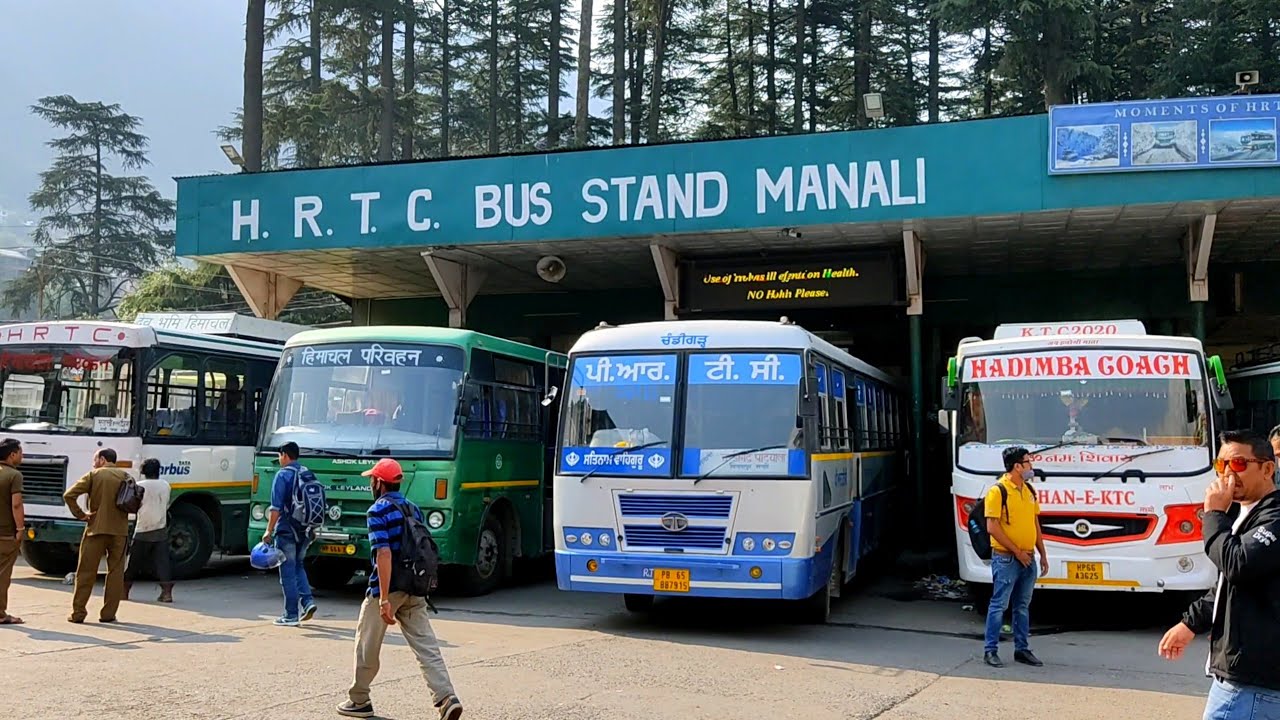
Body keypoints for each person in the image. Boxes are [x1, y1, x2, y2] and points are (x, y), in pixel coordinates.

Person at [1158, 430, 1280, 719]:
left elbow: (1238, 563)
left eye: (1238, 464)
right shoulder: (1249, 514)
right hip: (1245, 678)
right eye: (1221, 465)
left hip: (1251, 683)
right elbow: (1231, 583)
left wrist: (1213, 515)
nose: (1227, 474)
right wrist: (1189, 623)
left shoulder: (1274, 517)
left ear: (1267, 468)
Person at [337, 458, 463, 720]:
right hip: (415, 587)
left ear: (379, 483)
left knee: (366, 646)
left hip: (388, 588)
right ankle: (446, 697)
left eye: (372, 479)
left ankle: (359, 700)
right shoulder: (413, 509)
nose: (371, 482)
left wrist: (383, 598)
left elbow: (383, 554)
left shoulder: (377, 511)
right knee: (427, 647)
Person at [982, 446, 1048, 668]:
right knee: (999, 604)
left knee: (1022, 606)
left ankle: (1022, 649)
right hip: (1007, 559)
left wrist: (1042, 553)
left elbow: (1034, 523)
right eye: (1028, 462)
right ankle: (990, 650)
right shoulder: (997, 491)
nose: (1031, 466)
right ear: (1017, 466)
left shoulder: (1029, 490)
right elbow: (992, 527)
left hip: (1028, 559)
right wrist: (1017, 552)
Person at [63, 448, 131, 624]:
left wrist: (81, 514)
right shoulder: (126, 476)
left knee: (85, 572)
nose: (93, 463)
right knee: (115, 573)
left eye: (95, 459)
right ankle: (108, 614)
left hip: (95, 529)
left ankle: (78, 613)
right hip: (120, 531)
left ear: (102, 459)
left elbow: (69, 495)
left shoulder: (94, 475)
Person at [262, 441, 317, 627]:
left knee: (287, 571)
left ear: (285, 455)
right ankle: (308, 602)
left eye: (279, 455)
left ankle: (291, 614)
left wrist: (268, 530)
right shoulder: (307, 472)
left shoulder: (282, 475)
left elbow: (275, 508)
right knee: (299, 566)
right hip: (306, 529)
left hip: (286, 530)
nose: (279, 459)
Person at [125, 458, 173, 603]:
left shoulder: (139, 485)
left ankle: (124, 592)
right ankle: (166, 593)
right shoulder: (166, 485)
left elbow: (134, 505)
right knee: (162, 563)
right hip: (160, 527)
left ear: (143, 471)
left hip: (143, 528)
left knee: (133, 563)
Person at [0, 438, 25, 626]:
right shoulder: (14, 475)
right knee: (2, 576)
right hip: (5, 534)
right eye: (20, 452)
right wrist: (20, 529)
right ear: (12, 455)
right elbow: (16, 504)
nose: (22, 456)